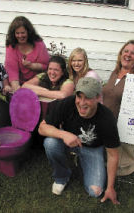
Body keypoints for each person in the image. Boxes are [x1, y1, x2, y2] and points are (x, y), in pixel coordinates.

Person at [39, 77, 120, 205]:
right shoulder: (67, 103)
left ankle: (84, 161)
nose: (81, 103)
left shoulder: (107, 118)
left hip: (92, 148)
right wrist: (63, 134)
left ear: (98, 97)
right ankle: (61, 176)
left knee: (96, 192)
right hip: (68, 142)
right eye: (79, 96)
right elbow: (42, 128)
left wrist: (110, 188)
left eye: (87, 97)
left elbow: (113, 155)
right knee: (50, 143)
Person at [102, 40, 134, 176]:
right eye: (126, 51)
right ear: (121, 54)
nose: (128, 55)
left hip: (122, 127)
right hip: (106, 123)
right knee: (102, 158)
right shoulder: (115, 72)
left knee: (118, 166)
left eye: (133, 53)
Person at [5, 16, 50, 92]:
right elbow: (12, 71)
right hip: (18, 83)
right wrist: (17, 89)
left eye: (23, 33)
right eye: (17, 33)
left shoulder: (39, 44)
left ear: (28, 32)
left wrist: (31, 66)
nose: (20, 36)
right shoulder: (11, 46)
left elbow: (45, 66)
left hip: (37, 83)